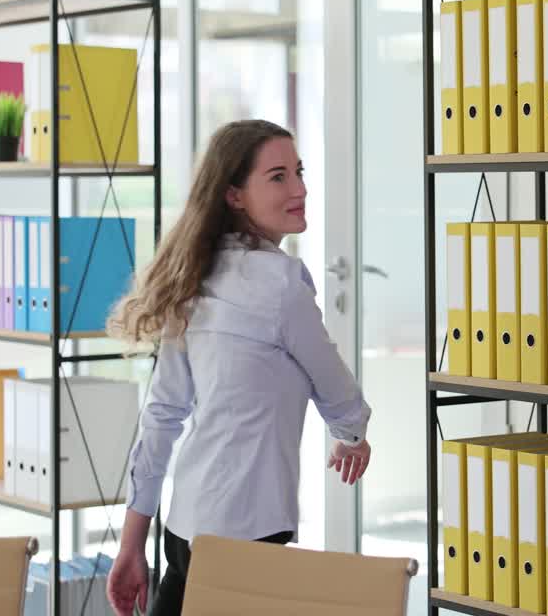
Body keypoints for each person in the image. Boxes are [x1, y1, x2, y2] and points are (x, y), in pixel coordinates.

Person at [105, 119, 372, 616]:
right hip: (247, 535)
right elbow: (339, 392)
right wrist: (351, 434)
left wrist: (130, 546)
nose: (300, 188)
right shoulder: (282, 284)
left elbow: (162, 417)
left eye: (298, 171)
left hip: (184, 527)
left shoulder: (195, 276)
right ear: (234, 195)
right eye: (277, 177)